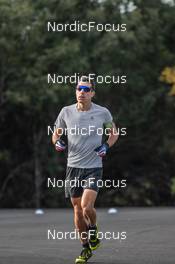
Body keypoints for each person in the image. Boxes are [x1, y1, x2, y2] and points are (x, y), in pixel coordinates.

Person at [52, 76, 119, 263]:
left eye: (86, 89)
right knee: (77, 211)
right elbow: (55, 134)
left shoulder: (102, 112)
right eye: (79, 88)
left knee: (86, 206)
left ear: (92, 93)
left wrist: (106, 146)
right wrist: (57, 142)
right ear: (75, 91)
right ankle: (85, 248)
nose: (81, 92)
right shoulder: (66, 112)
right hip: (73, 167)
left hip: (93, 167)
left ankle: (94, 229)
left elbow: (113, 133)